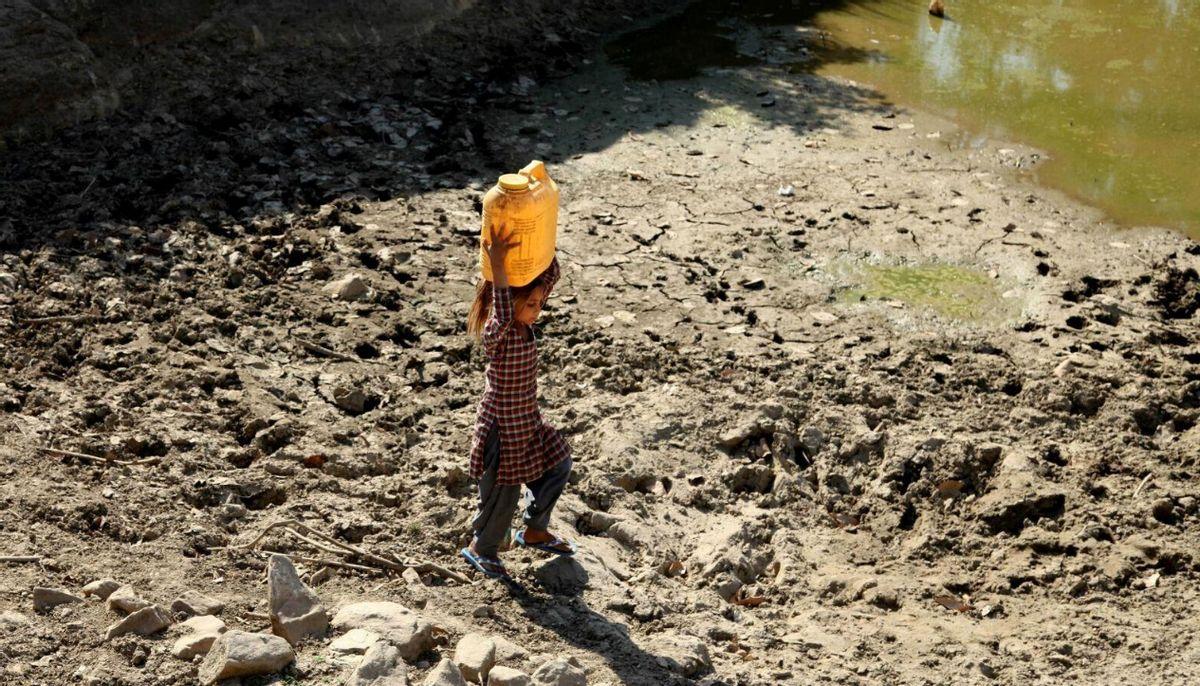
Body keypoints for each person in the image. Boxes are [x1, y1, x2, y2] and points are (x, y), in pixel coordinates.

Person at [461, 222, 575, 580]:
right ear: (512, 303)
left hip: (527, 423)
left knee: (559, 464)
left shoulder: (526, 326)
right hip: (500, 429)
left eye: (541, 303)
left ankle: (535, 529)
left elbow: (551, 274)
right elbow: (504, 305)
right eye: (532, 304)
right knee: (501, 495)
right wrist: (498, 263)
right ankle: (483, 547)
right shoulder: (502, 332)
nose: (538, 310)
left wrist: (540, 233)